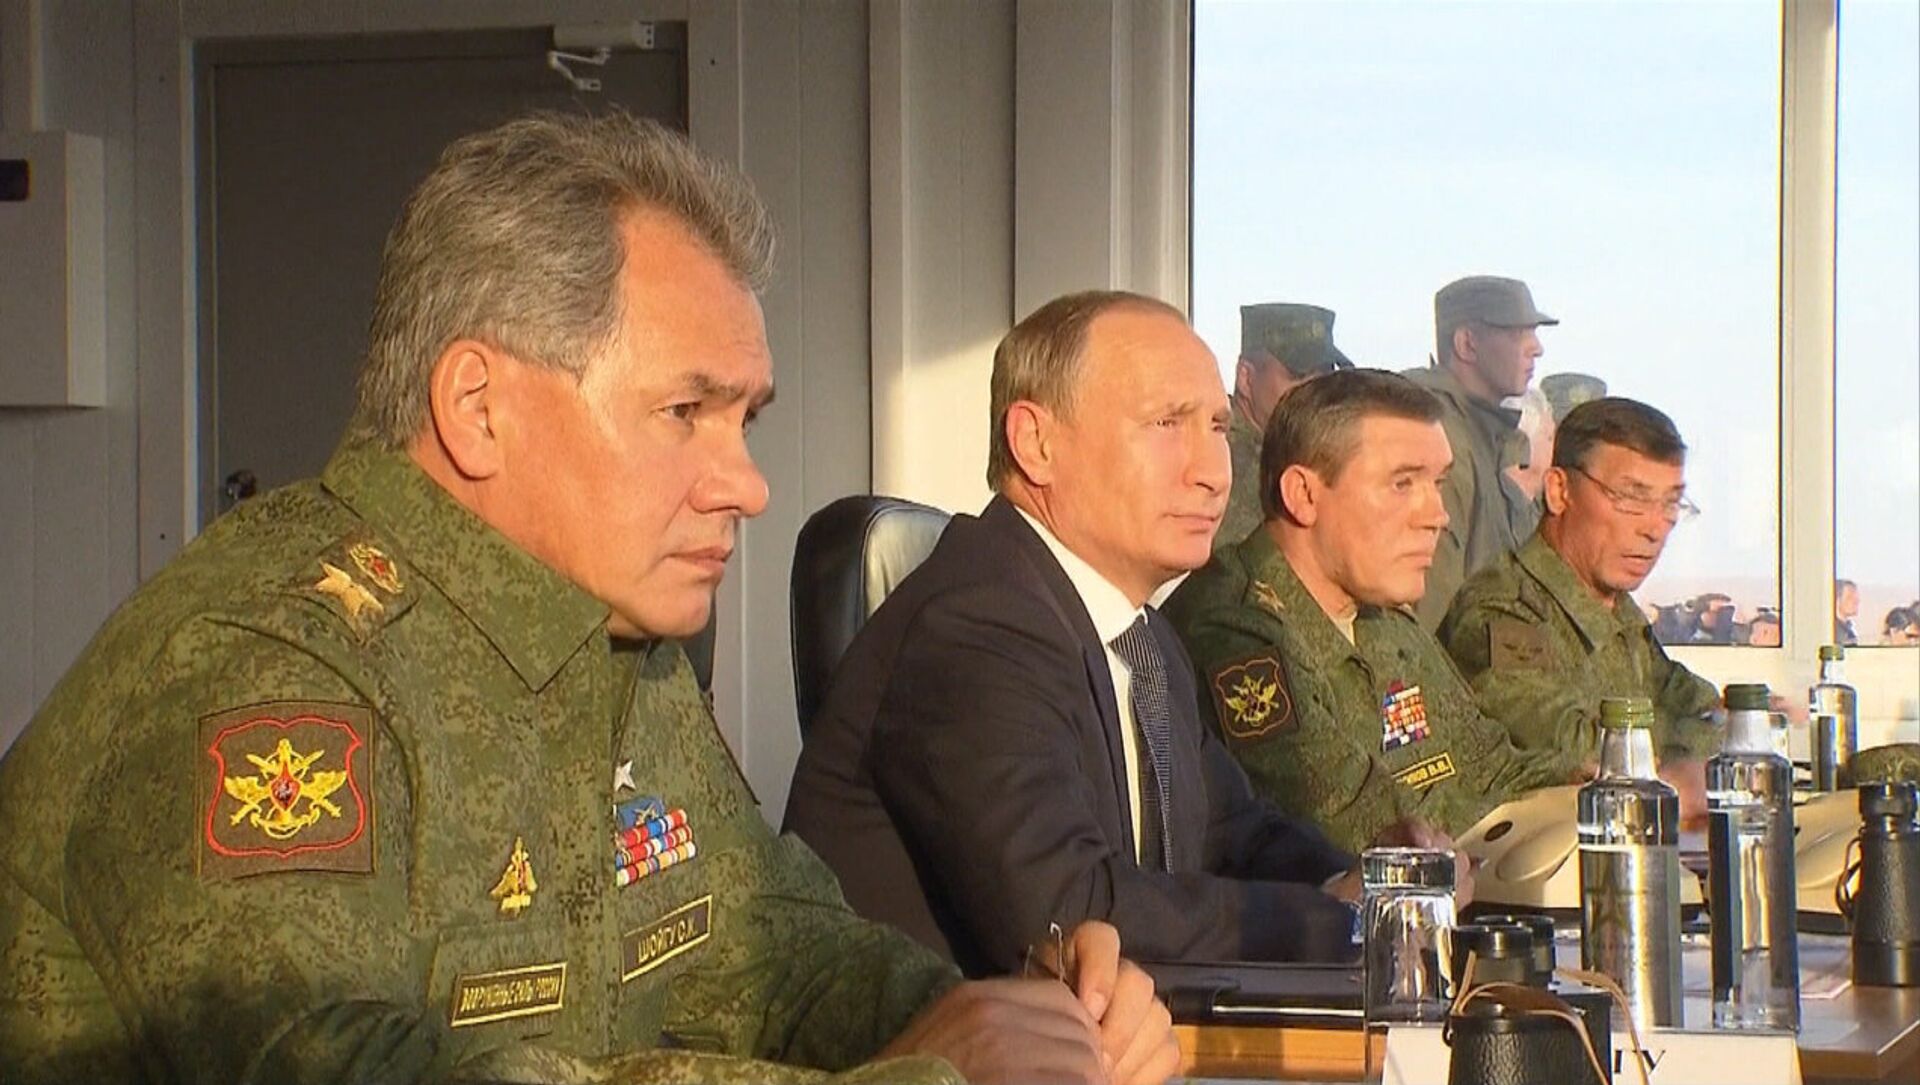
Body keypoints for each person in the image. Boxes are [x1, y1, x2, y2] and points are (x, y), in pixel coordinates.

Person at [0, 114, 1178, 1085]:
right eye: (685, 412)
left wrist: (1014, 1020)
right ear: (479, 407)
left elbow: (768, 946)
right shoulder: (265, 665)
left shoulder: (616, 639)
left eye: (745, 418)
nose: (748, 483)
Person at [785, 291, 1361, 978]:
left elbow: (1230, 830)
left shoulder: (1141, 635)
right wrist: (1330, 922)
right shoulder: (973, 626)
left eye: (1217, 427)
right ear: (1036, 443)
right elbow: (1068, 912)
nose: (1213, 473)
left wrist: (1375, 882)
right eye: (1166, 423)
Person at [1164, 370, 1580, 854]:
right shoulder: (1237, 630)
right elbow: (1348, 821)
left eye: (1438, 483)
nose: (1437, 515)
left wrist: (1585, 784)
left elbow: (1488, 764)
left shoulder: (1384, 621)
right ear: (1304, 495)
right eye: (1402, 483)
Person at [1438, 397, 1725, 819]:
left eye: (1669, 504)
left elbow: (1703, 708)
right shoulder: (1503, 609)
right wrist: (1682, 763)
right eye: (1631, 498)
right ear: (1560, 491)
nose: (1654, 528)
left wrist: (1692, 750)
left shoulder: (1617, 609)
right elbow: (1575, 747)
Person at [1405, 275, 1557, 628]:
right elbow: (1429, 612)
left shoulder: (1480, 433)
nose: (1536, 348)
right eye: (1518, 333)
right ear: (1467, 343)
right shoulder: (1440, 435)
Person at [1217, 303, 1352, 551]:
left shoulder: (1308, 452)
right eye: (1298, 377)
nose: (1314, 394)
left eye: (1324, 379)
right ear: (1246, 377)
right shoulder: (1216, 458)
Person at [1836, 578, 1861, 646]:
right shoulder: (1832, 631)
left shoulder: (1849, 628)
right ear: (1837, 600)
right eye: (1850, 597)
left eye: (1856, 597)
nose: (1856, 601)